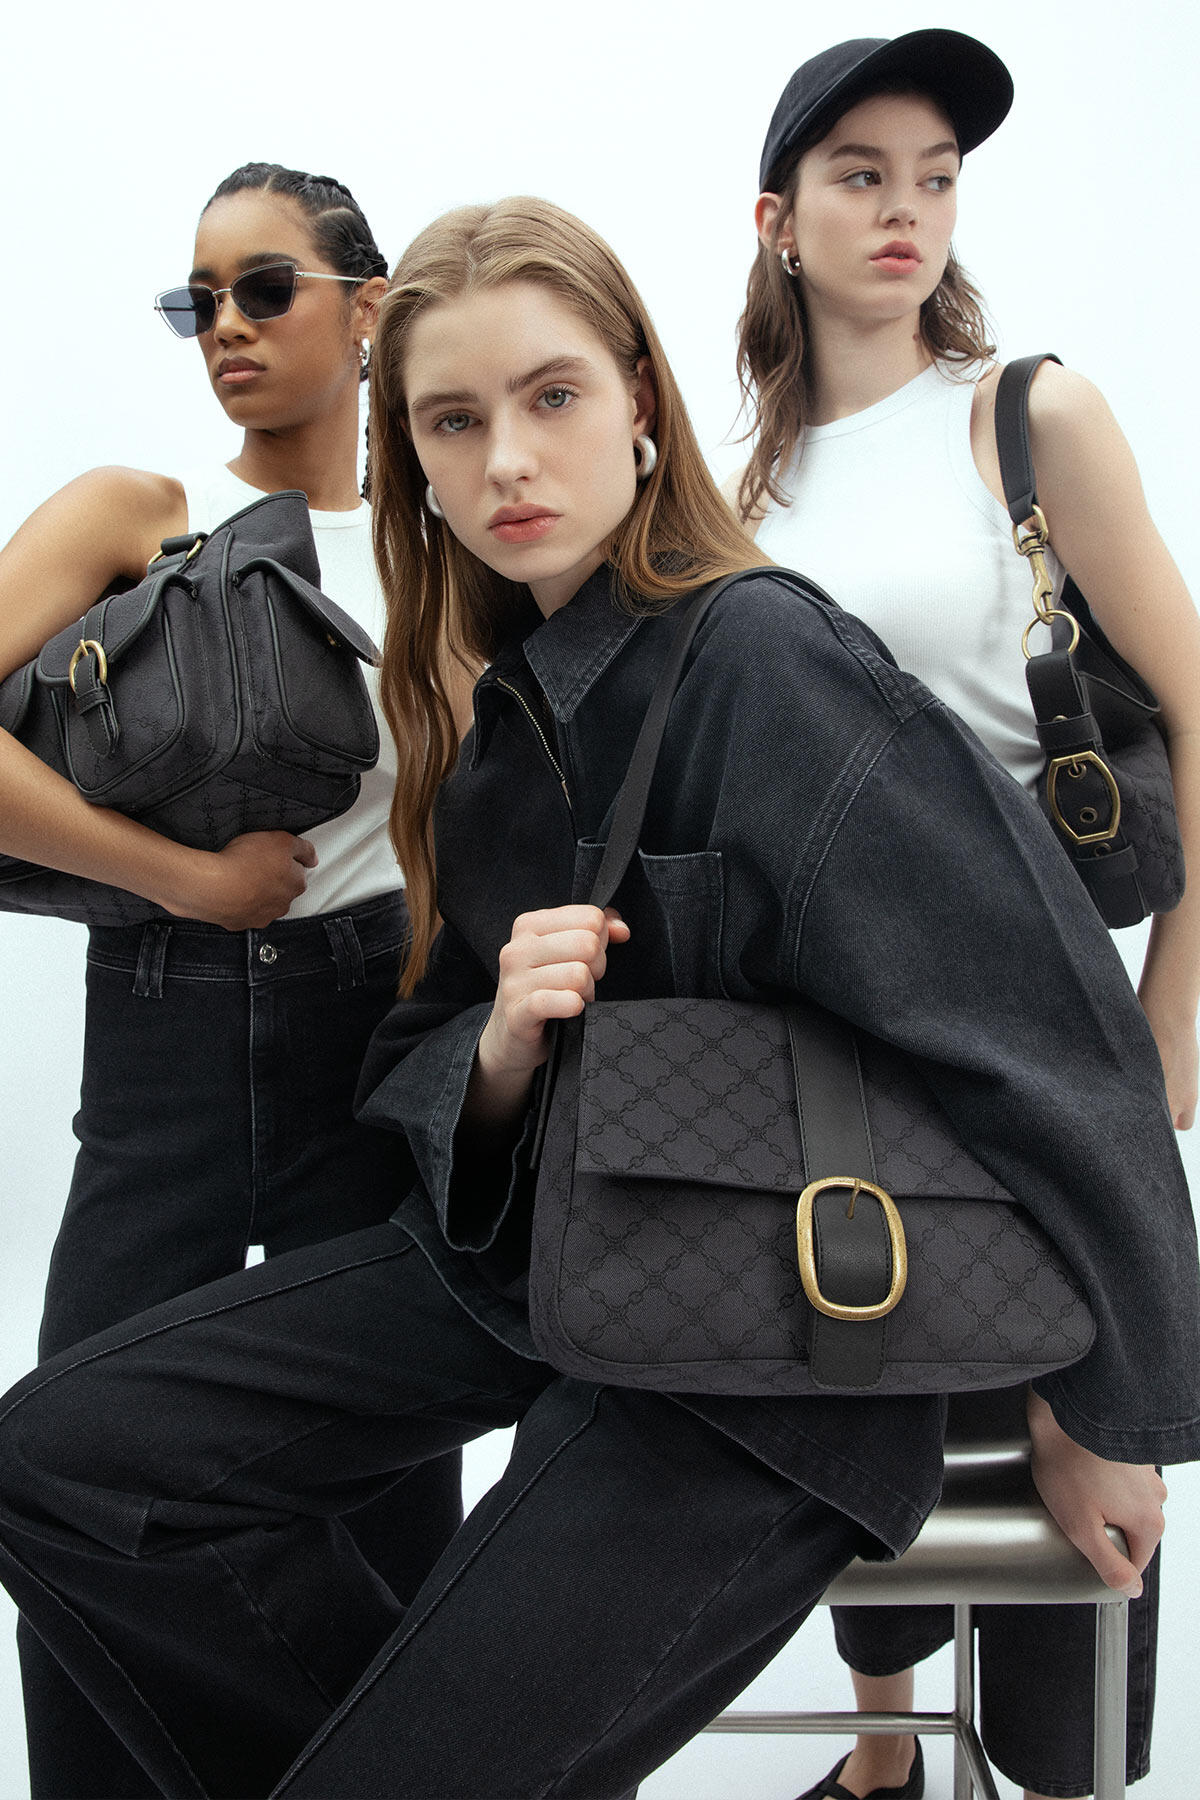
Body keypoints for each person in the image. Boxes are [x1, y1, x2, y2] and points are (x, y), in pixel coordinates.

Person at [0, 194, 1194, 1800]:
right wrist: (499, 1049)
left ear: (638, 398)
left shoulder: (768, 661)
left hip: (764, 1362)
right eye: (453, 420)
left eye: (550, 396)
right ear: (414, 460)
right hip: (542, 1269)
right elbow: (425, 1050)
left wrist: (1113, 1415)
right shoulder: (495, 718)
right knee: (60, 1465)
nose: (507, 460)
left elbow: (1050, 1030)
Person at [728, 30, 1200, 1800]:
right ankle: (881, 1767)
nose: (905, 209)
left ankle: (1060, 1777)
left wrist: (1172, 1016)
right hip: (832, 1018)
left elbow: (1198, 704)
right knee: (866, 1373)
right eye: (861, 173)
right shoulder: (740, 489)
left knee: (1082, 1452)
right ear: (777, 218)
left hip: (1041, 1006)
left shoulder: (1027, 414)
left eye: (936, 176)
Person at [0, 163, 465, 1799]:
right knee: (78, 1458)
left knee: (376, 1474)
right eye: (198, 301)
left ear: (369, 306)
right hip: (167, 1018)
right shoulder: (140, 511)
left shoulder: (447, 541)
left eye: (266, 288)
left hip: (372, 1025)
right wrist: (185, 881)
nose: (227, 328)